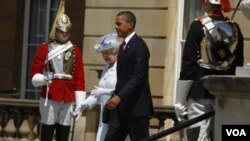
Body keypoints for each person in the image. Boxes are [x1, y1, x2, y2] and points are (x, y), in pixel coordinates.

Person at [179, 0, 244, 140]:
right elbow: (237, 65)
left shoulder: (197, 26)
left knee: (197, 138)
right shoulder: (235, 28)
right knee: (224, 136)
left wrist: (180, 100)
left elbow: (188, 65)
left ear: (207, 3)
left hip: (199, 92)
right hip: (225, 93)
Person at [30, 13, 86, 141]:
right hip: (50, 95)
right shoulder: (45, 48)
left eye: (67, 31)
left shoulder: (75, 51)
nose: (64, 34)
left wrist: (80, 103)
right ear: (56, 30)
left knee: (64, 133)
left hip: (67, 97)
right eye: (61, 31)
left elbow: (79, 78)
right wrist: (43, 79)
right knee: (47, 132)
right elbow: (34, 74)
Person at [103, 11, 154, 141]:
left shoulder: (139, 45)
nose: (116, 27)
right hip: (121, 108)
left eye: (119, 23)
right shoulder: (123, 46)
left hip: (136, 108)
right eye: (115, 23)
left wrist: (120, 96)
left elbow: (138, 76)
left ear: (130, 24)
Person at [73, 32, 130, 141]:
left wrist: (106, 91)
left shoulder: (122, 67)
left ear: (115, 51)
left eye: (107, 53)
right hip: (105, 116)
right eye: (103, 53)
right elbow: (98, 93)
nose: (105, 56)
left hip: (118, 116)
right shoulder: (106, 68)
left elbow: (125, 90)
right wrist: (84, 104)